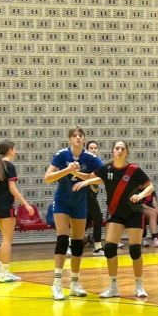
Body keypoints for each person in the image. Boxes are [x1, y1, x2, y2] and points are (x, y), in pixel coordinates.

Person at [74, 140, 154, 299]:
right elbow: (92, 177)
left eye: (122, 148)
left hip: (134, 213)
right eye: (117, 148)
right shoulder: (106, 168)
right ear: (113, 151)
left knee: (135, 250)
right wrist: (75, 174)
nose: (119, 151)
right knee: (110, 248)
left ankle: (139, 286)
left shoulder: (134, 170)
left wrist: (140, 195)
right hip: (116, 213)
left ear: (127, 152)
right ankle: (113, 287)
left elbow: (150, 187)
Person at [44, 127, 102, 300]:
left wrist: (81, 176)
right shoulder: (62, 155)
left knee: (77, 243)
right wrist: (68, 170)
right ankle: (57, 284)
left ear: (84, 139)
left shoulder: (90, 158)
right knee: (63, 239)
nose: (77, 138)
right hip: (62, 201)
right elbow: (47, 178)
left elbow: (102, 178)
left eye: (80, 135)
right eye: (74, 136)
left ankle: (75, 283)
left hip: (80, 203)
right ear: (69, 139)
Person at [0, 140, 35, 283]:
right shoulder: (10, 166)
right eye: (14, 149)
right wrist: (26, 205)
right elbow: (13, 189)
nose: (16, 151)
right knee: (7, 241)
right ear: (10, 150)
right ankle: (5, 273)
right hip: (6, 207)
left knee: (4, 240)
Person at [84, 140, 105, 256]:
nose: (93, 150)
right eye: (91, 148)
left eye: (95, 148)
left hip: (92, 195)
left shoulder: (98, 163)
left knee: (86, 221)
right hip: (85, 194)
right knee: (98, 217)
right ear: (87, 150)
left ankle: (71, 243)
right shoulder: (84, 163)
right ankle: (98, 246)